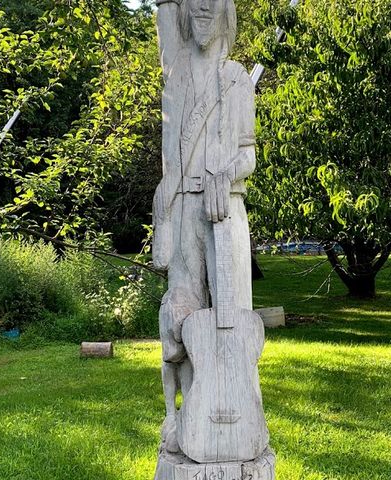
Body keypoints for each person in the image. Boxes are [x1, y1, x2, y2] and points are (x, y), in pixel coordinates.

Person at [152, 0, 257, 454]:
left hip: (224, 210)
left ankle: (240, 415)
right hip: (181, 211)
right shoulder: (174, 80)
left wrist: (225, 175)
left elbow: (249, 154)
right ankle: (186, 416)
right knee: (181, 320)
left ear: (226, 11)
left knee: (234, 323)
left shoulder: (236, 79)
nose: (200, 7)